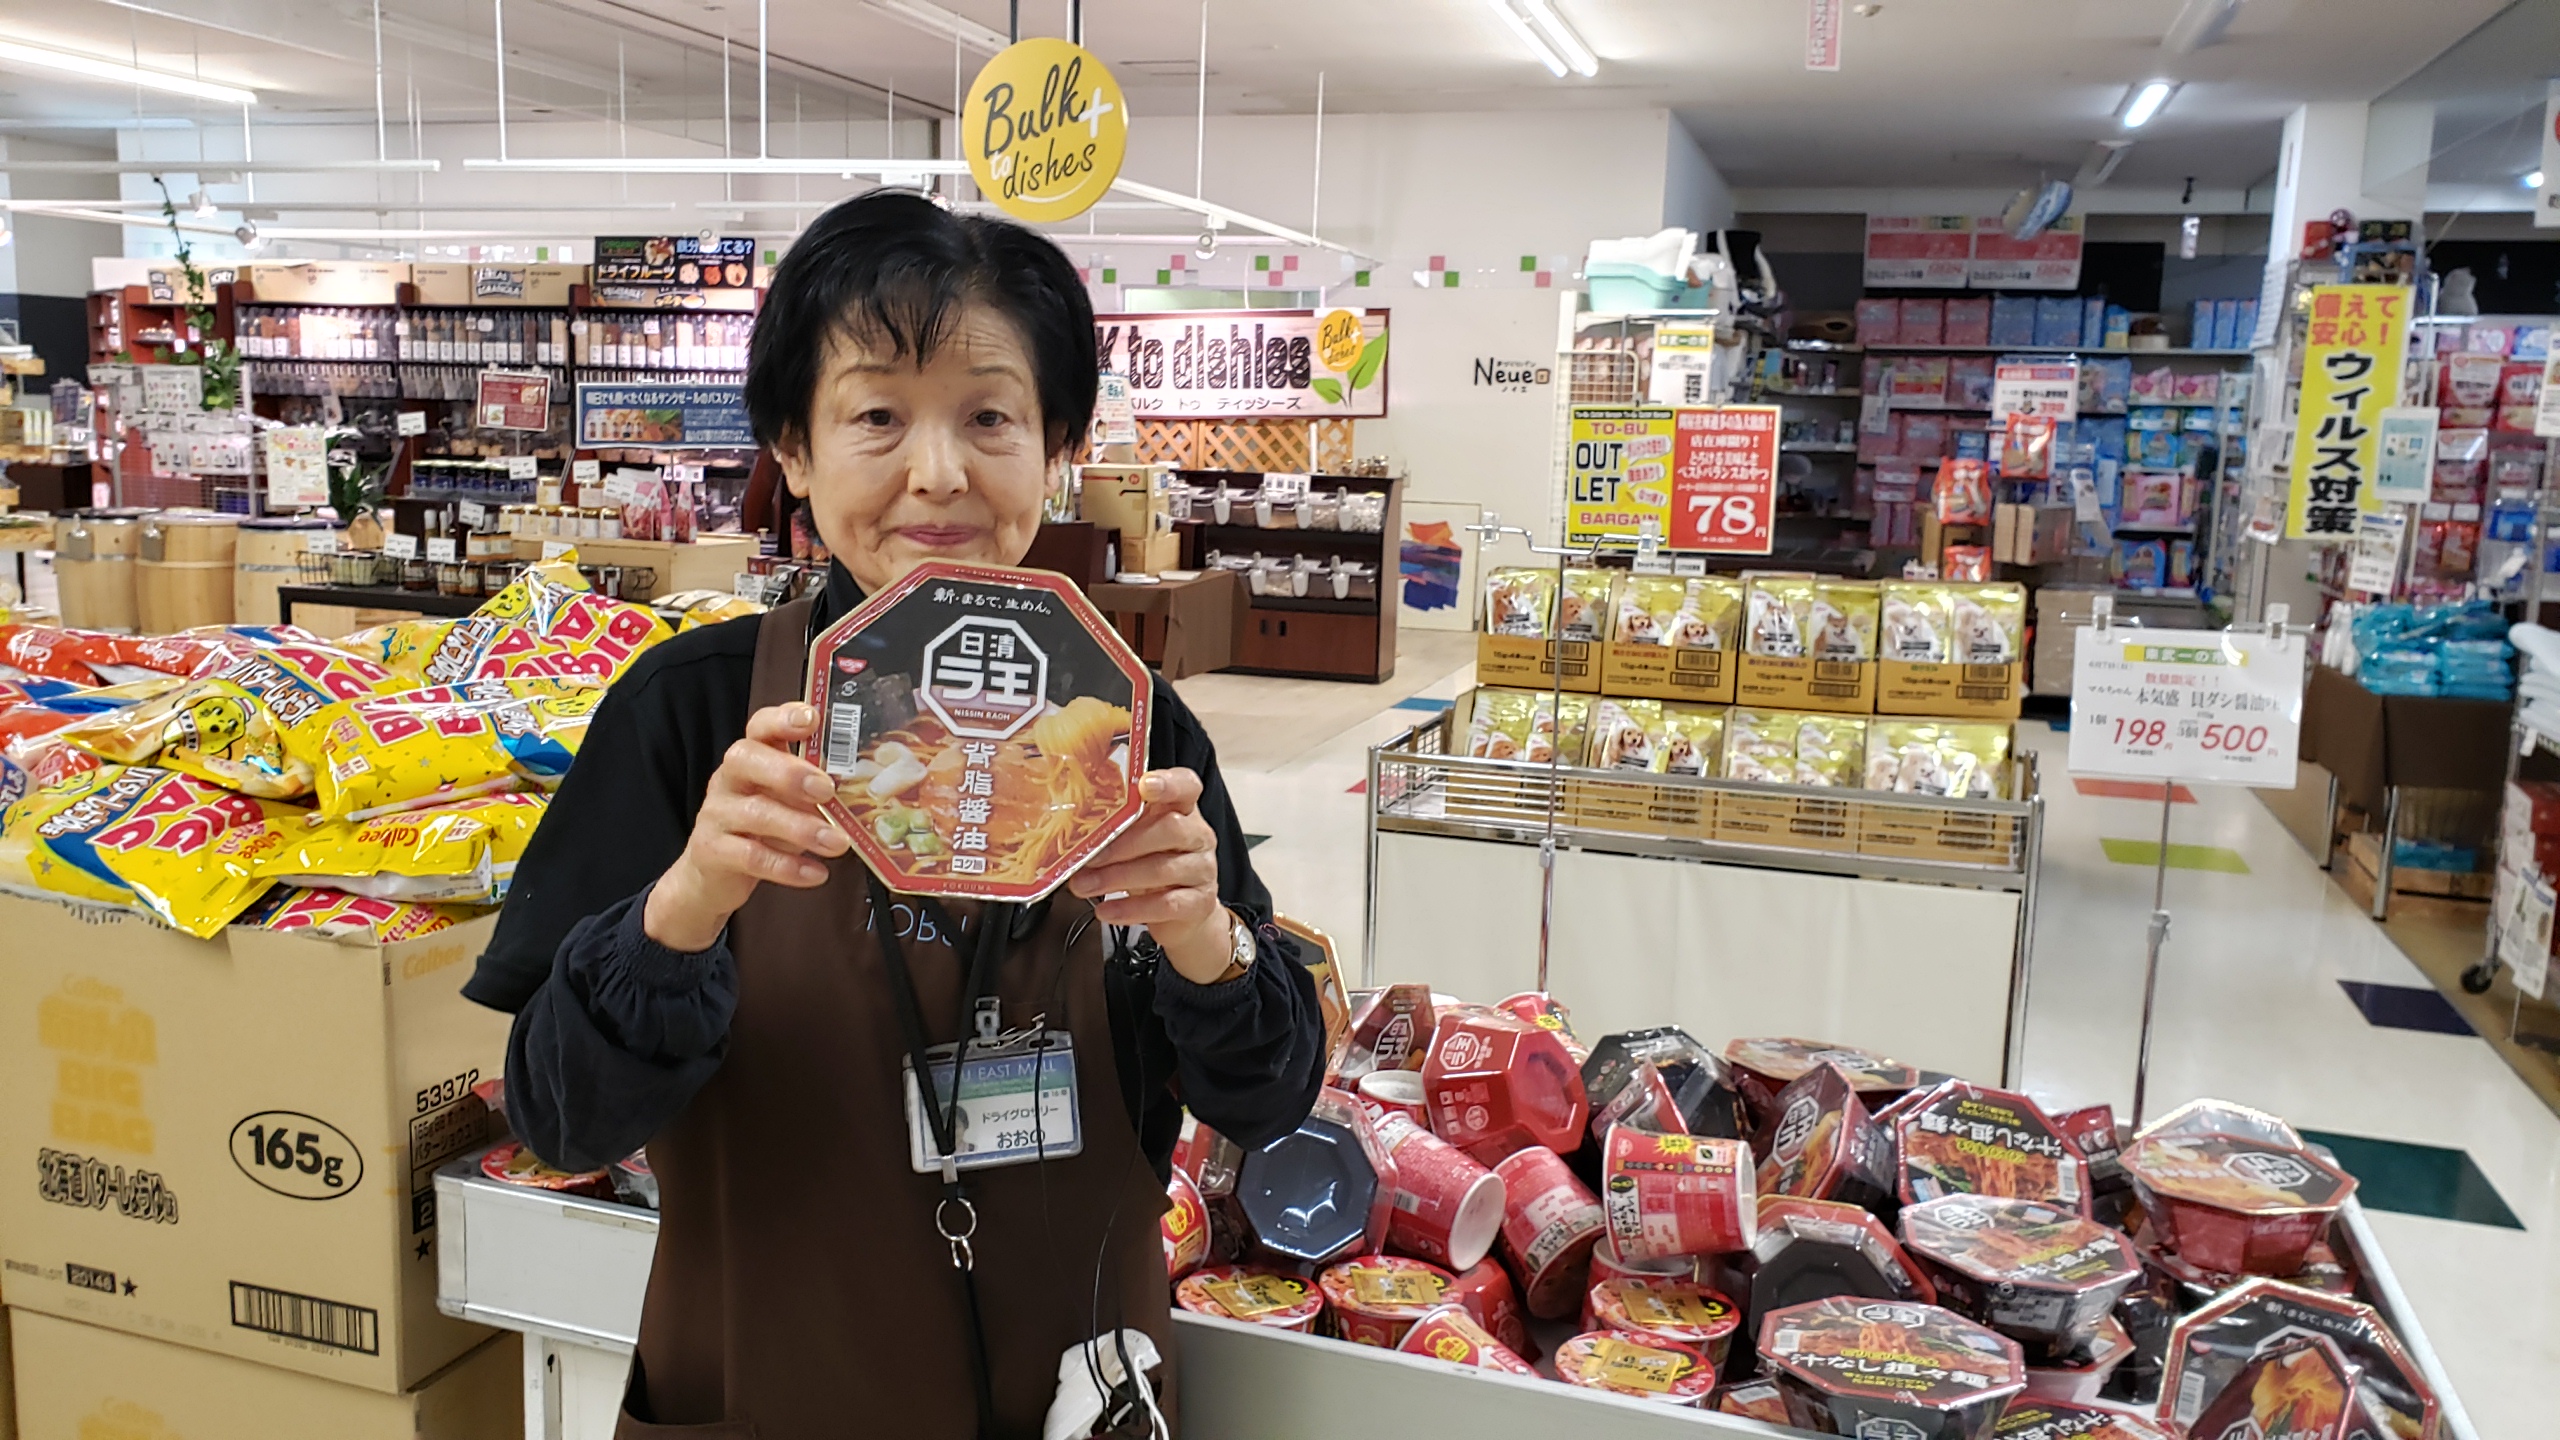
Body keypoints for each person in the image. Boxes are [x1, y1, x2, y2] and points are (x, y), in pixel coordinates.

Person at [465, 189, 1325, 1439]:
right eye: (876, 416)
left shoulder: (1134, 727)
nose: (938, 472)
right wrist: (687, 903)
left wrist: (1208, 939)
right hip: (769, 1385)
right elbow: (560, 1121)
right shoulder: (693, 714)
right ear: (795, 450)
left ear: (1057, 446)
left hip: (1073, 1390)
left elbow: (1265, 1102)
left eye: (990, 417)